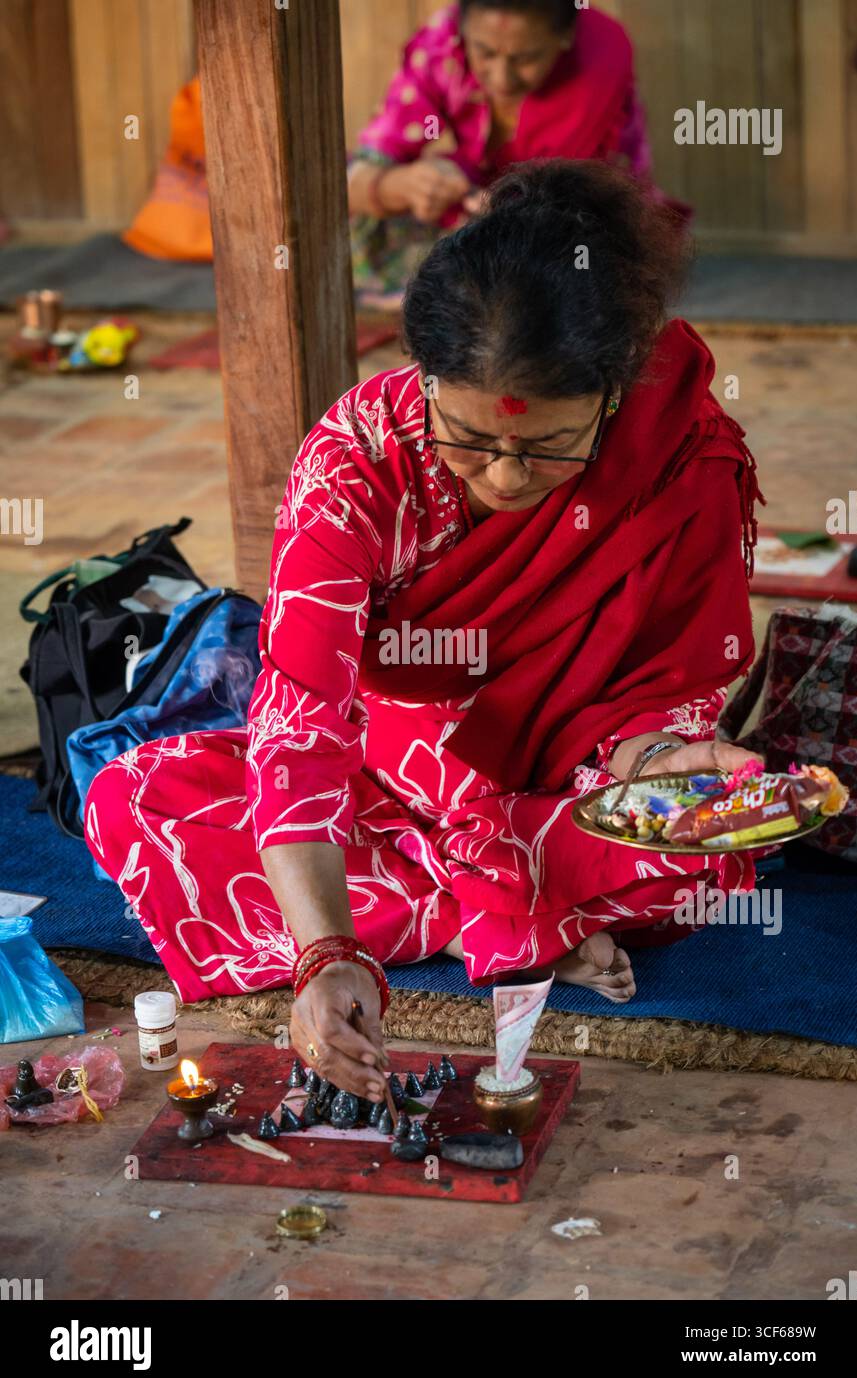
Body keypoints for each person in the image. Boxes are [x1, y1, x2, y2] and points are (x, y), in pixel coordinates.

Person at [86, 161, 762, 1099]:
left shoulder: (681, 455)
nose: (507, 477)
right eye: (474, 438)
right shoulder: (355, 466)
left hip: (570, 787)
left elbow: (658, 698)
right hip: (396, 775)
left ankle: (492, 900)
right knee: (132, 800)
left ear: (614, 395)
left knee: (710, 840)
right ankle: (494, 912)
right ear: (426, 376)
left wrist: (664, 767)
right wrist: (325, 953)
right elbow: (301, 721)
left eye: (549, 445)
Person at [348, 0, 664, 303]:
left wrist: (499, 209)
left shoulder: (600, 59)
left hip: (569, 219)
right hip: (473, 204)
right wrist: (403, 184)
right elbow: (363, 172)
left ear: (565, 36)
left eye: (525, 58)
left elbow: (601, 200)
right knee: (345, 209)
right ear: (462, 29)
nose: (501, 77)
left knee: (586, 270)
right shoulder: (440, 45)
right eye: (484, 52)